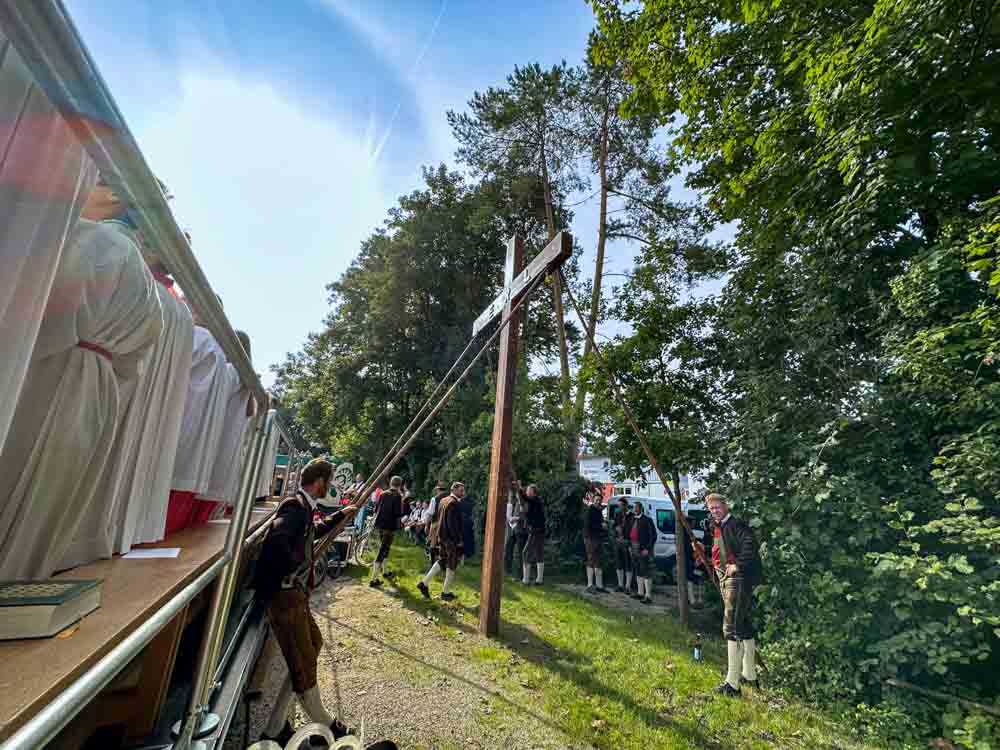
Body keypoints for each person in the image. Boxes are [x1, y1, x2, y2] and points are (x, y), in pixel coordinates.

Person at [0, 178, 163, 580]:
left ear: (112, 193)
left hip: (49, 375)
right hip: (98, 395)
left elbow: (41, 316)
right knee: (42, 516)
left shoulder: (93, 240)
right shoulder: (146, 284)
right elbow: (132, 365)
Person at [253, 459, 359, 743]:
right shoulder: (295, 507)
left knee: (313, 644)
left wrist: (340, 516)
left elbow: (310, 532)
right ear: (320, 481)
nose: (331, 485)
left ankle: (275, 728)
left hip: (294, 596)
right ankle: (328, 725)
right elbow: (277, 543)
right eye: (330, 480)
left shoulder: (303, 507)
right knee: (304, 661)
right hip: (285, 597)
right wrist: (297, 565)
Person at [693, 493, 762, 697]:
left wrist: (737, 565)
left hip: (738, 579)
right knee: (744, 625)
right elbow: (718, 552)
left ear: (726, 506)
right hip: (725, 578)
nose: (714, 511)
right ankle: (749, 676)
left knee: (731, 628)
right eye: (711, 508)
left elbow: (750, 546)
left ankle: (732, 684)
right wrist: (700, 550)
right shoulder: (716, 527)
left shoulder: (736, 525)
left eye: (717, 507)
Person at [417, 481, 466, 601]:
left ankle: (424, 583)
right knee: (452, 564)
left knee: (442, 561)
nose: (463, 493)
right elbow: (452, 524)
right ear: (454, 490)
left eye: (463, 490)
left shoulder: (444, 500)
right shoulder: (453, 503)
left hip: (442, 537)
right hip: (450, 539)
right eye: (461, 490)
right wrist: (458, 540)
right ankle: (445, 592)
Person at [370, 475, 405, 588]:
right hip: (389, 527)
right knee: (383, 550)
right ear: (400, 485)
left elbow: (376, 509)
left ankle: (385, 572)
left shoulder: (383, 493)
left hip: (380, 525)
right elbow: (398, 513)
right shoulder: (398, 496)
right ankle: (373, 579)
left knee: (385, 549)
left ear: (391, 483)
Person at [518, 481, 546, 586]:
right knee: (539, 553)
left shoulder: (535, 500)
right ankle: (539, 580)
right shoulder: (535, 501)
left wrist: (520, 488)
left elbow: (525, 498)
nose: (527, 491)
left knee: (526, 553)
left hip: (536, 530)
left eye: (529, 490)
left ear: (534, 492)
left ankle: (526, 580)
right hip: (539, 530)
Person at [630, 500, 657, 605]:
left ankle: (648, 595)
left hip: (643, 549)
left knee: (646, 571)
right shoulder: (632, 519)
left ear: (641, 509)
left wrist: (647, 549)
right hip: (633, 547)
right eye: (634, 508)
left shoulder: (647, 520)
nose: (635, 509)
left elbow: (653, 536)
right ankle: (640, 593)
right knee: (638, 570)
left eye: (636, 507)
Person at [582, 490, 608, 593]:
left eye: (600, 500)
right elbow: (588, 525)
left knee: (598, 561)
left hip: (598, 538)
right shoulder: (590, 510)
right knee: (591, 559)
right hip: (590, 538)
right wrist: (601, 526)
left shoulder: (598, 511)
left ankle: (599, 586)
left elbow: (598, 524)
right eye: (597, 500)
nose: (598, 502)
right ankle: (589, 585)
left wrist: (603, 525)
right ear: (594, 500)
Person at [612, 496, 634, 593]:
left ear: (626, 506)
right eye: (619, 505)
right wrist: (616, 529)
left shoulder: (632, 516)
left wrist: (627, 537)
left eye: (621, 505)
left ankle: (627, 586)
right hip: (618, 542)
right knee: (619, 563)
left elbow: (633, 530)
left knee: (628, 564)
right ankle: (620, 585)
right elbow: (614, 526)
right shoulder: (617, 514)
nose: (620, 507)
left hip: (627, 542)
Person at [503, 484, 527, 578]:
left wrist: (517, 519)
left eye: (518, 494)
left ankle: (520, 575)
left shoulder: (525, 502)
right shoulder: (517, 502)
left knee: (520, 553)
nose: (516, 495)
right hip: (515, 529)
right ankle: (507, 570)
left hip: (522, 530)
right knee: (508, 548)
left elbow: (526, 516)